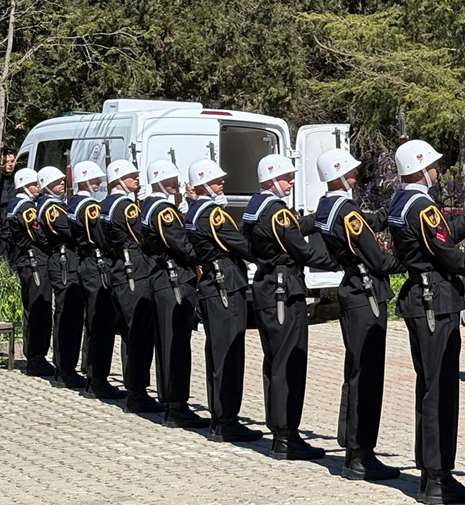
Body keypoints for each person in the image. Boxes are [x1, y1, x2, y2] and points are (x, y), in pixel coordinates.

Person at [388, 139, 465, 505]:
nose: (437, 171)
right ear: (419, 169)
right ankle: (438, 476)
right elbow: (444, 251)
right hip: (434, 301)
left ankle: (432, 472)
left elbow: (442, 236)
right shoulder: (423, 205)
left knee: (430, 387)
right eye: (433, 166)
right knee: (440, 390)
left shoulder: (402, 200)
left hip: (421, 296)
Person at [313, 148, 403, 480]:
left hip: (351, 288)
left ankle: (353, 446)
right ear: (338, 176)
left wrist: (386, 212)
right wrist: (413, 260)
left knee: (355, 372)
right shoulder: (347, 211)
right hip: (366, 293)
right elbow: (378, 260)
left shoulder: (329, 206)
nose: (354, 175)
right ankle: (361, 454)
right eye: (349, 172)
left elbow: (363, 225)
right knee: (367, 375)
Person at [243, 153, 330, 459]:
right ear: (271, 179)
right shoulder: (277, 211)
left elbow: (285, 232)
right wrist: (340, 259)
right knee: (288, 362)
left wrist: (315, 220)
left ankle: (280, 430)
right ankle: (286, 435)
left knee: (274, 361)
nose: (291, 181)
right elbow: (300, 250)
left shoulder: (257, 207)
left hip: (268, 285)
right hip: (284, 289)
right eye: (286, 177)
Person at [184, 159, 262, 444]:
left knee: (216, 352)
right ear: (204, 185)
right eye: (216, 181)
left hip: (212, 284)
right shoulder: (213, 215)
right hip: (225, 286)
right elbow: (244, 246)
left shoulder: (193, 212)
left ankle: (220, 417)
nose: (222, 184)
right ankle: (226, 420)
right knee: (228, 352)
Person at [140, 160, 207, 429]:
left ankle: (171, 400)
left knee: (168, 341)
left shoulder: (151, 206)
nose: (177, 184)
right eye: (171, 181)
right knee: (175, 343)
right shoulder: (163, 210)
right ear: (160, 182)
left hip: (164, 279)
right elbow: (181, 244)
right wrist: (205, 257)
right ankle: (176, 405)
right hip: (174, 280)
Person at [97, 160, 160, 414]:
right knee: (139, 335)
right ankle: (137, 392)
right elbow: (140, 238)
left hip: (117, 270)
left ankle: (133, 386)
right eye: (132, 176)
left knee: (129, 333)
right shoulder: (126, 207)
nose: (137, 180)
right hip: (134, 272)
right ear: (119, 179)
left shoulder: (104, 205)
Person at [68, 160, 122, 400]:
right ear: (86, 180)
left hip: (85, 263)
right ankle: (97, 379)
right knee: (101, 323)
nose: (100, 182)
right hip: (96, 264)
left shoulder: (74, 202)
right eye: (96, 179)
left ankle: (92, 374)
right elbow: (99, 237)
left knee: (93, 322)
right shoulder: (89, 206)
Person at [36, 166, 85, 389]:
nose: (61, 185)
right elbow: (70, 231)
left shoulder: (59, 205)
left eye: (62, 181)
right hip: (64, 263)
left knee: (71, 315)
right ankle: (65, 369)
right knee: (67, 316)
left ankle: (65, 367)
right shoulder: (52, 208)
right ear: (46, 185)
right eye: (56, 182)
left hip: (66, 260)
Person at [2, 167, 53, 376]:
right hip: (34, 261)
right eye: (34, 184)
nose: (38, 188)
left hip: (25, 261)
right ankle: (36, 358)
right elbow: (38, 234)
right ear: (24, 185)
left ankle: (34, 355)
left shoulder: (16, 204)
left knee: (32, 308)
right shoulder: (27, 208)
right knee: (39, 308)